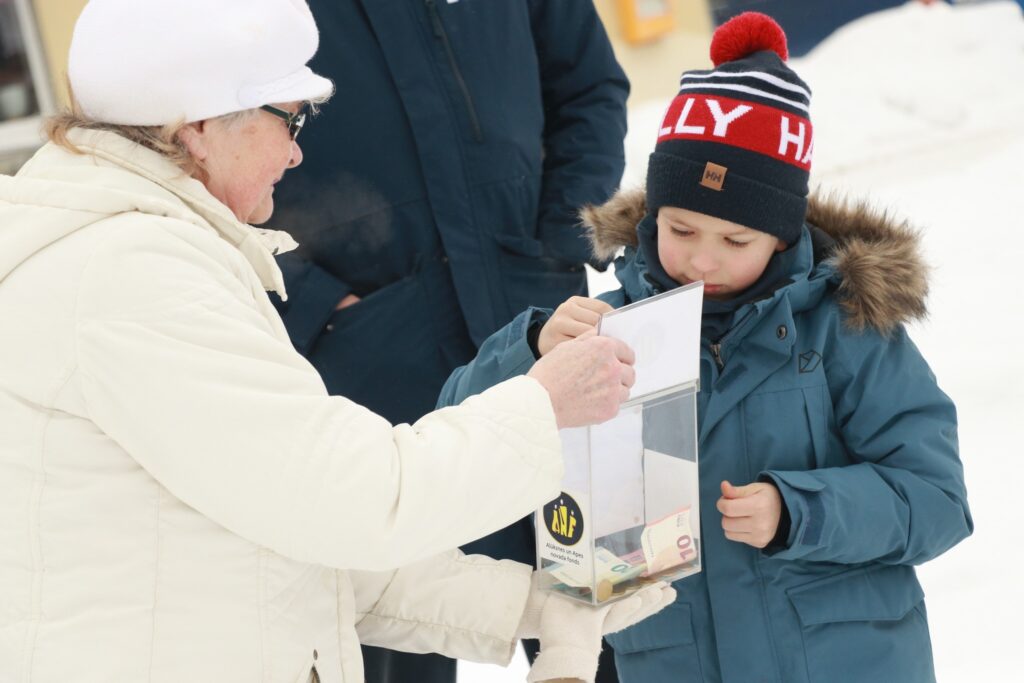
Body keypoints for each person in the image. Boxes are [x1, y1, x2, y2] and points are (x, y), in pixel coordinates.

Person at [0, 1, 675, 681]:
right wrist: (541, 404)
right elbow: (360, 502)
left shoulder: (154, 246)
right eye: (289, 118)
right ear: (199, 127)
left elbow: (314, 559)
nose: (297, 151)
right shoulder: (134, 276)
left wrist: (539, 608)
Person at [439, 12, 973, 683]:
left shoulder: (846, 328)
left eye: (736, 241)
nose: (701, 260)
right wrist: (530, 348)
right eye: (681, 228)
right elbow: (456, 427)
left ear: (781, 236)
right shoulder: (612, 329)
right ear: (653, 213)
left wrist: (799, 511)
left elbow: (936, 498)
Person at [265, 2, 630, 679]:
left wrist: (559, 235)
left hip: (541, 336)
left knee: (598, 617)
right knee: (398, 624)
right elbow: (206, 157)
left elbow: (589, 86)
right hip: (373, 367)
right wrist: (318, 305)